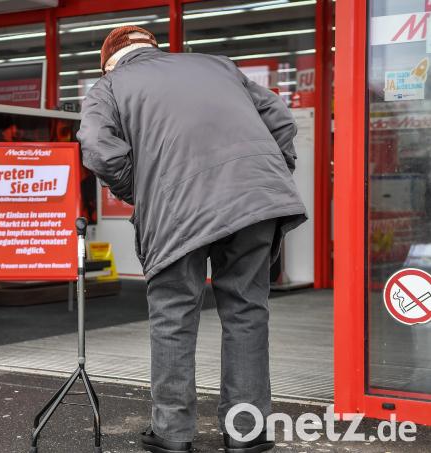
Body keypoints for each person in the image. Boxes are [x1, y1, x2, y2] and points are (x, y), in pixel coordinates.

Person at [77, 26, 307, 453]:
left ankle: (173, 433)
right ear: (153, 50)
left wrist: (136, 190)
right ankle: (246, 433)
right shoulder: (218, 66)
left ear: (108, 61)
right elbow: (279, 119)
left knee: (173, 315)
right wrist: (266, 174)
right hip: (255, 201)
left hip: (176, 206)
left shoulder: (110, 85)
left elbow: (96, 145)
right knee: (246, 312)